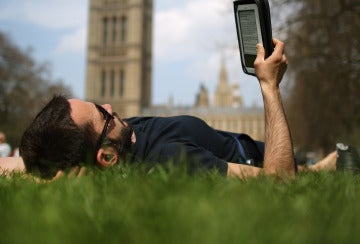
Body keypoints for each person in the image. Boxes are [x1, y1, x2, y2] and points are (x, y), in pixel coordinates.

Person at [2, 39, 338, 179]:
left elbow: (21, 163)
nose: (108, 105)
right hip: (269, 157)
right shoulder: (170, 159)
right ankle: (324, 167)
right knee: (338, 162)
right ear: (106, 155)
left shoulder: (115, 141)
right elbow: (278, 182)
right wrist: (269, 86)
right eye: (101, 113)